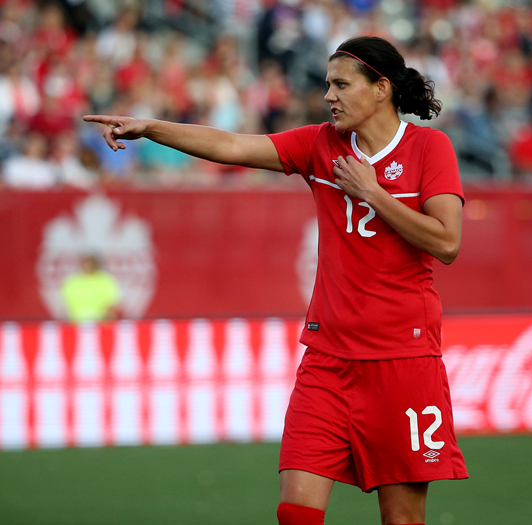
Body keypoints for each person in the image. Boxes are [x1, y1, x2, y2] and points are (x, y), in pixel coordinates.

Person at [84, 36, 468, 525]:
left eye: (341, 84)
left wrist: (373, 194)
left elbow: (446, 243)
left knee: (402, 520)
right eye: (327, 84)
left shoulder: (430, 148)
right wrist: (151, 128)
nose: (328, 95)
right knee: (295, 512)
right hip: (328, 361)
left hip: (403, 360)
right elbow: (231, 145)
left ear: (381, 88)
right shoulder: (319, 144)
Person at [61, 254, 121, 322]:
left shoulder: (106, 280)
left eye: (91, 264)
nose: (88, 266)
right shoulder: (73, 281)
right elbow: (65, 301)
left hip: (100, 321)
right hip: (76, 320)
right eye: (86, 264)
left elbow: (113, 303)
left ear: (96, 264)